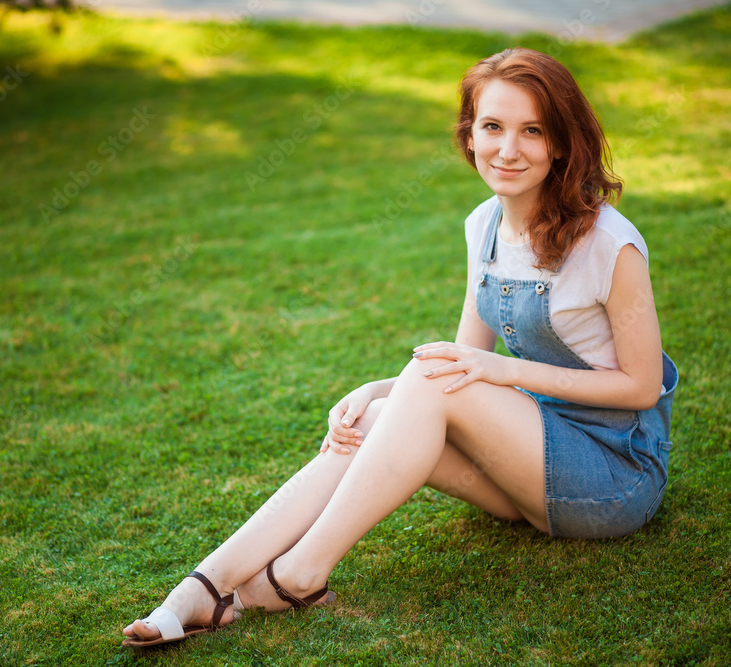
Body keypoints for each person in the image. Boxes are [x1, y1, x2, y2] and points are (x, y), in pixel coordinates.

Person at [121, 47, 678, 648]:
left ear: (562, 143)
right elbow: (459, 363)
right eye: (492, 127)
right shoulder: (484, 225)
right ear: (470, 135)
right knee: (375, 419)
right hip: (529, 471)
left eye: (533, 131)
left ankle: (300, 573)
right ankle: (203, 586)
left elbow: (641, 387)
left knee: (428, 388)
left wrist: (497, 370)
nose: (508, 149)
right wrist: (377, 390)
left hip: (614, 475)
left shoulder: (609, 244)